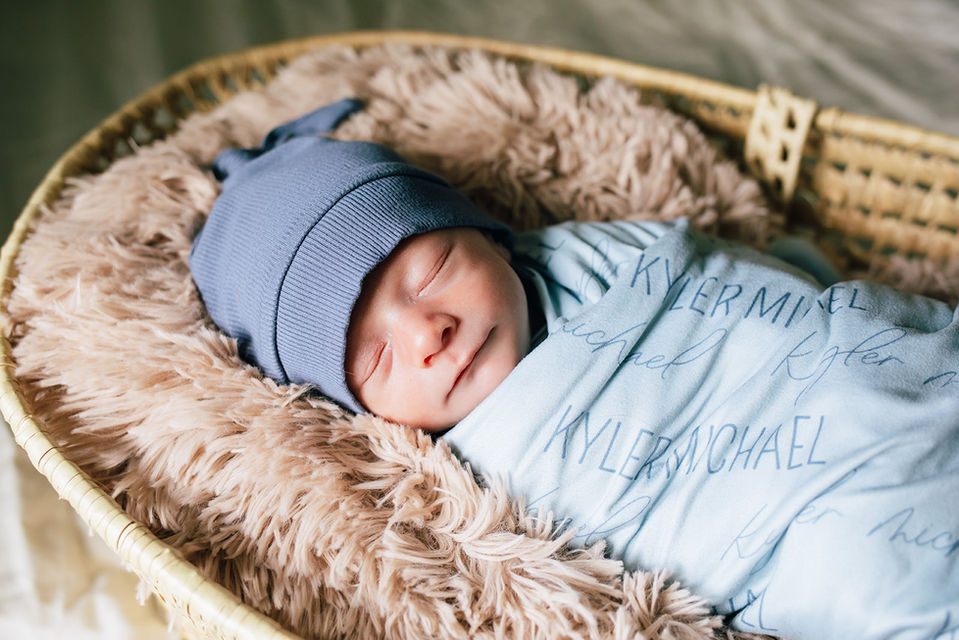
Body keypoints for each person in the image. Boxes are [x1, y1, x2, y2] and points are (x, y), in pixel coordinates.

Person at [190, 100, 959, 639]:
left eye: (433, 270)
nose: (427, 332)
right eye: (375, 355)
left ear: (485, 232)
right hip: (842, 545)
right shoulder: (442, 490)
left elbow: (756, 285)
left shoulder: (596, 254)